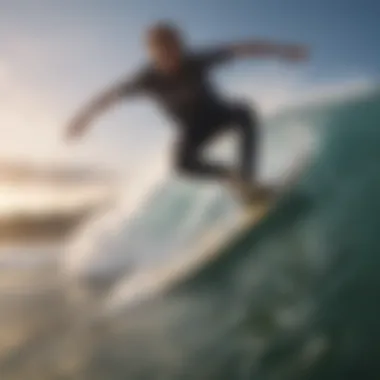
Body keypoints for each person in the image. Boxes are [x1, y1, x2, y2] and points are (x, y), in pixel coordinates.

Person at [65, 22, 308, 199]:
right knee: (180, 164)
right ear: (153, 54)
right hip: (192, 130)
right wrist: (82, 119)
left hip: (218, 115)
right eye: (163, 53)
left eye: (175, 49)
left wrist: (283, 51)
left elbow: (242, 49)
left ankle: (249, 182)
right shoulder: (145, 79)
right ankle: (232, 177)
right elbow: (109, 96)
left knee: (245, 112)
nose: (172, 58)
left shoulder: (196, 61)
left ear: (181, 46)